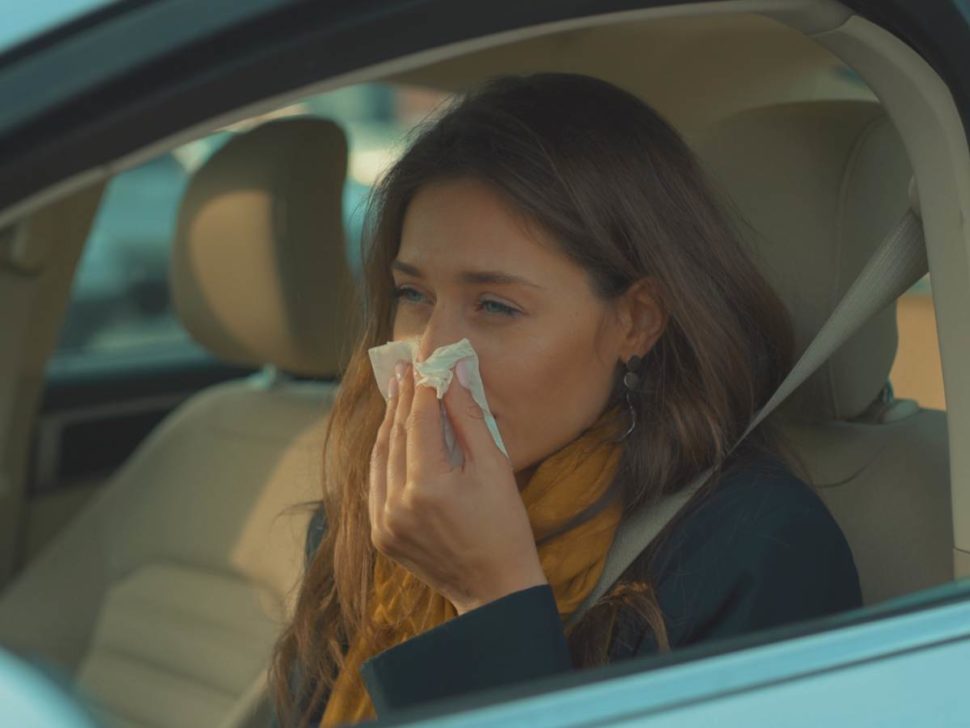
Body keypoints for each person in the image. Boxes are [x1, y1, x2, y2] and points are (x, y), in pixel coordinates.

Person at [269, 72, 862, 728]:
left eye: (496, 306)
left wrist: (489, 599)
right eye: (414, 295)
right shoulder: (374, 513)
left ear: (635, 322)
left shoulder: (755, 550)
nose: (434, 357)